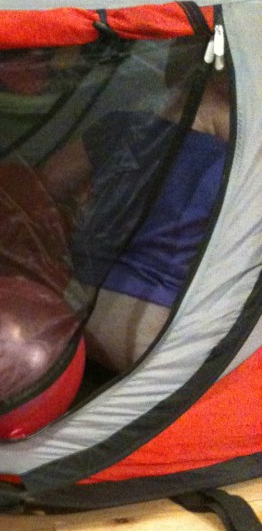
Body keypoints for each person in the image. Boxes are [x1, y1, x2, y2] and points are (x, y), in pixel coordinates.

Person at [41, 60, 230, 372]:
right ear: (224, 100)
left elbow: (49, 180)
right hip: (144, 337)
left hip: (71, 311)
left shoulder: (119, 125)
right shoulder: (229, 168)